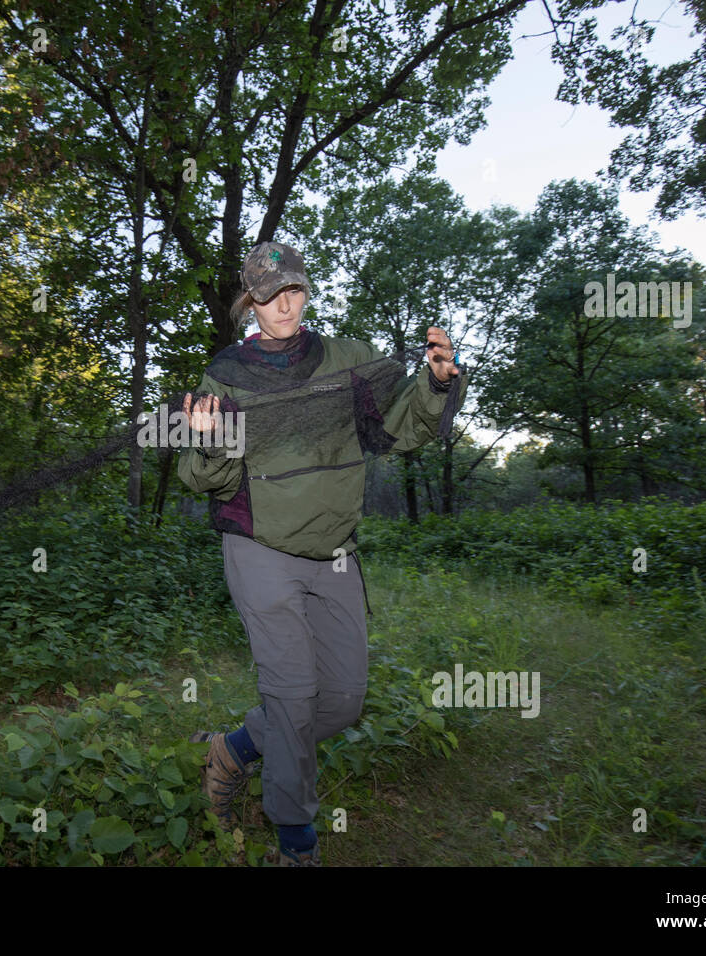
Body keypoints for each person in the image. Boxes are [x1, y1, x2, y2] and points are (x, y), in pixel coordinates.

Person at [177, 240, 466, 866]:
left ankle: (234, 747)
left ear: (307, 291)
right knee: (293, 695)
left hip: (335, 553)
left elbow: (398, 431)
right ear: (249, 302)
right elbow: (203, 480)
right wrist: (212, 443)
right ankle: (297, 847)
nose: (285, 303)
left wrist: (435, 385)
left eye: (295, 289)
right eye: (269, 294)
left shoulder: (350, 362)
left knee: (341, 700)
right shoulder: (224, 377)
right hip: (260, 550)